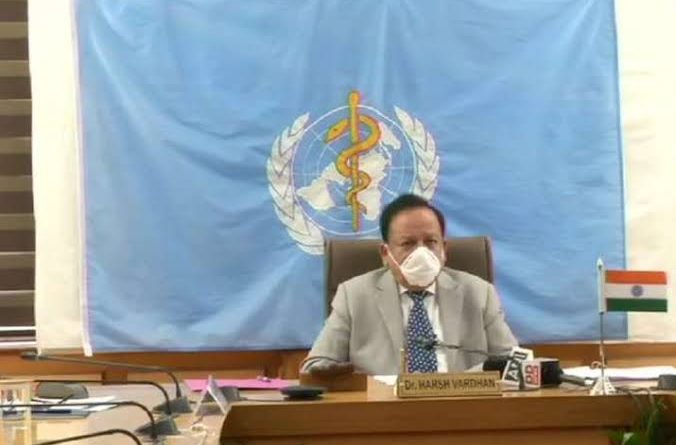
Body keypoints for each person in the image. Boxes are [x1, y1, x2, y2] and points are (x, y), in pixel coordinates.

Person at [302, 194, 517, 375]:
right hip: (383, 408)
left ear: (444, 249)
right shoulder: (353, 295)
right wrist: (341, 377)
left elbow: (514, 364)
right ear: (385, 253)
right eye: (408, 243)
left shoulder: (479, 293)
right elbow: (315, 366)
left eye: (431, 242)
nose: (421, 252)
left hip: (461, 405)